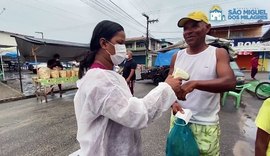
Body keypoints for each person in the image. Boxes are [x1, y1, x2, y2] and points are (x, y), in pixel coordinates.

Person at [73, 20, 183, 156]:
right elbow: (136, 114)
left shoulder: (102, 75)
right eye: (120, 43)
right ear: (103, 43)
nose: (123, 49)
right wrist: (166, 88)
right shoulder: (101, 80)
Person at [169, 11, 236, 155]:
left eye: (194, 26)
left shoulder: (218, 53)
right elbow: (169, 84)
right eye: (185, 28)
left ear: (207, 27)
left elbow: (230, 82)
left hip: (205, 124)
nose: (188, 32)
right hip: (179, 120)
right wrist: (172, 102)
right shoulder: (177, 56)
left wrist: (195, 84)